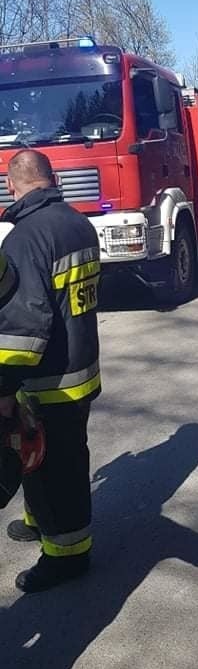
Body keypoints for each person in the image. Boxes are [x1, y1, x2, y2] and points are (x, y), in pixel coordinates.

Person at [0, 149, 101, 592]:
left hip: (48, 378)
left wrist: (4, 385)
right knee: (48, 456)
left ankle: (65, 555)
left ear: (11, 185)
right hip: (81, 366)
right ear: (52, 177)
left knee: (55, 466)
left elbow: (25, 323)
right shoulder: (78, 222)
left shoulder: (24, 239)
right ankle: (40, 520)